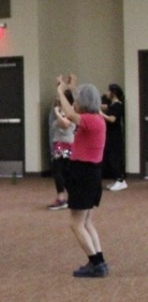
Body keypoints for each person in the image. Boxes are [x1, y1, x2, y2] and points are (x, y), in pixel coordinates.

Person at [56, 74, 109, 278]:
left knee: (76, 223)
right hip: (91, 173)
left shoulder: (89, 120)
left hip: (83, 174)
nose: (75, 102)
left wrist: (61, 91)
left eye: (78, 100)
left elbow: (69, 113)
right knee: (86, 222)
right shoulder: (97, 119)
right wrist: (73, 88)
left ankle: (96, 264)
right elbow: (76, 108)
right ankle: (98, 261)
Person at [48, 91, 75, 210]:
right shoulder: (62, 110)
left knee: (59, 170)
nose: (57, 100)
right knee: (63, 171)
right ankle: (70, 197)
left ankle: (62, 198)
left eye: (59, 98)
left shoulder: (69, 111)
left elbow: (65, 124)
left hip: (64, 144)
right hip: (59, 142)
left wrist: (57, 112)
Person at [101, 84, 126, 191]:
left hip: (115, 136)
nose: (107, 93)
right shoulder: (112, 105)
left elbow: (112, 119)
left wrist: (101, 114)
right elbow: (104, 107)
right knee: (109, 157)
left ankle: (120, 180)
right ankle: (116, 179)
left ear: (113, 93)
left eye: (108, 91)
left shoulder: (118, 105)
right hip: (110, 135)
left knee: (114, 158)